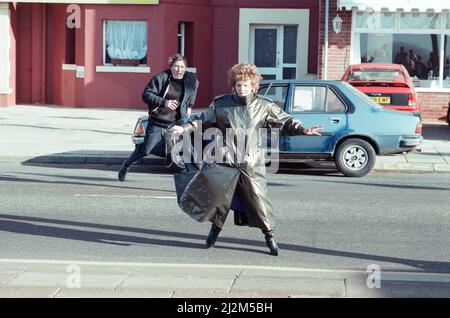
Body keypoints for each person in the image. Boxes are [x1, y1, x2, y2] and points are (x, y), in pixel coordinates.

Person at [171, 63, 322, 256]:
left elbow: (285, 121)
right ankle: (214, 233)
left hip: (251, 164)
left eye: (246, 85)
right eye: (239, 84)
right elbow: (202, 119)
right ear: (233, 85)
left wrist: (302, 129)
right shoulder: (221, 104)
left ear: (253, 86)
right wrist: (183, 128)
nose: (242, 88)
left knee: (259, 203)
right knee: (218, 200)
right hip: (225, 162)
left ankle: (270, 238)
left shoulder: (264, 105)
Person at [118, 54, 199, 181]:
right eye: (176, 66)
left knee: (187, 145)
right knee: (146, 149)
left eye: (182, 67)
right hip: (159, 121)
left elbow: (193, 89)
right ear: (171, 67)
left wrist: (189, 105)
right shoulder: (161, 78)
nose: (179, 70)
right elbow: (146, 95)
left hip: (177, 121)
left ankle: (193, 177)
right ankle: (126, 165)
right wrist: (164, 102)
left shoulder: (191, 78)